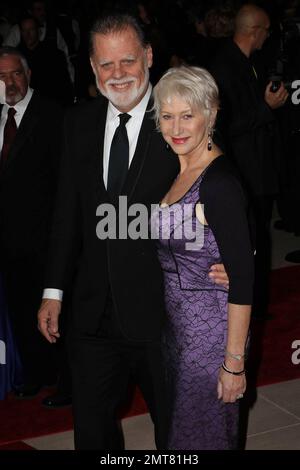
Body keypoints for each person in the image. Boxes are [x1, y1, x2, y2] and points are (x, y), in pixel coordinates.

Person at [37, 14, 228, 450]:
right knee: (91, 433)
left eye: (128, 60)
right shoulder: (77, 123)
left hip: (163, 311)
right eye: (106, 65)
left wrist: (234, 259)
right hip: (91, 313)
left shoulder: (177, 120)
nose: (118, 74)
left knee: (175, 433)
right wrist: (53, 291)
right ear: (91, 67)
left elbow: (221, 187)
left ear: (148, 56)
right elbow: (67, 212)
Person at [151, 65, 254, 450]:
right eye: (167, 115)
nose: (176, 127)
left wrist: (233, 363)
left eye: (187, 115)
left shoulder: (218, 181)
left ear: (209, 115)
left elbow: (242, 280)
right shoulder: (179, 168)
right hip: (178, 332)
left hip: (211, 340)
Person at [209, 4, 288, 319]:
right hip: (243, 169)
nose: (268, 38)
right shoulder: (223, 67)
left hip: (258, 163)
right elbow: (226, 124)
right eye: (267, 31)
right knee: (249, 235)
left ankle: (258, 293)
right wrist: (266, 107)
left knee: (260, 229)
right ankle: (250, 298)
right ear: (255, 31)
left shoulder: (247, 61)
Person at [0, 47, 64, 398]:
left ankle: (65, 379)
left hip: (46, 236)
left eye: (15, 74)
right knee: (21, 307)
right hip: (9, 238)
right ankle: (36, 373)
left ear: (28, 75)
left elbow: (64, 182)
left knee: (54, 309)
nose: (9, 82)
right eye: (2, 76)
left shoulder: (53, 115)